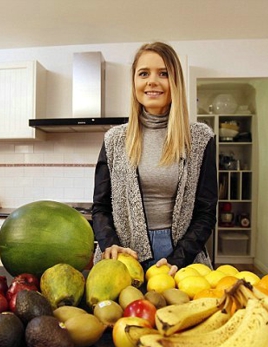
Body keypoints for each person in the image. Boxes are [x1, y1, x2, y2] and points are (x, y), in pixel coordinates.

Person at [92, 41, 218, 276]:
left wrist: (178, 258)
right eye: (143, 73)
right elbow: (100, 206)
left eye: (163, 73)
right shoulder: (114, 140)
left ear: (176, 82)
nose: (152, 81)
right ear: (134, 83)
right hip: (123, 257)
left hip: (182, 258)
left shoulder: (201, 139)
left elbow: (206, 212)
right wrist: (109, 243)